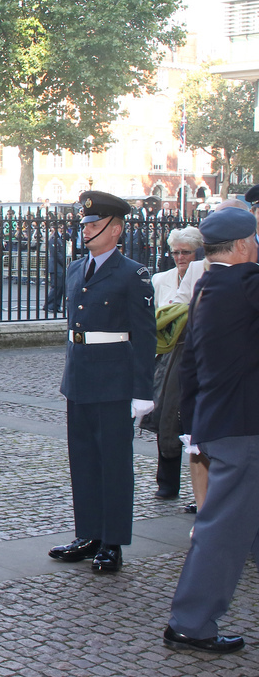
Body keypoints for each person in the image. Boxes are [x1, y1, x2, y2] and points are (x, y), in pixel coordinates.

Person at [162, 207, 259, 654]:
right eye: (254, 240)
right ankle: (191, 622)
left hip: (219, 422)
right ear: (240, 246)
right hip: (243, 427)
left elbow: (191, 364)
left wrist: (193, 424)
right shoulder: (246, 283)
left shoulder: (206, 285)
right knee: (223, 531)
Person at [48, 191, 156, 574]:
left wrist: (143, 391)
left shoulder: (133, 274)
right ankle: (89, 534)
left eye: (94, 225)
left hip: (113, 380)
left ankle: (112, 541)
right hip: (79, 375)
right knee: (83, 459)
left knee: (113, 463)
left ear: (116, 229)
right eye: (85, 224)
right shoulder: (77, 269)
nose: (87, 230)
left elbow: (145, 336)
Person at [146, 226, 205, 501]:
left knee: (191, 417)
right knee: (165, 415)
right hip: (168, 355)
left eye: (186, 252)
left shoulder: (204, 273)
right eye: (176, 252)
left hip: (195, 351)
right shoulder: (161, 279)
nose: (180, 257)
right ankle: (167, 482)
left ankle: (200, 490)